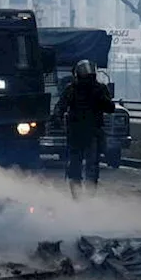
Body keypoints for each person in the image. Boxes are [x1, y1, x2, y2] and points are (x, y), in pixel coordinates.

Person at [51, 60, 115, 198]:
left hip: (90, 132)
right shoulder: (73, 89)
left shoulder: (98, 89)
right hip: (78, 133)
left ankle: (88, 195)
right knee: (77, 166)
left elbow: (110, 107)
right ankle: (78, 196)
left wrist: (101, 98)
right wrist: (57, 117)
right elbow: (61, 106)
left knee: (90, 166)